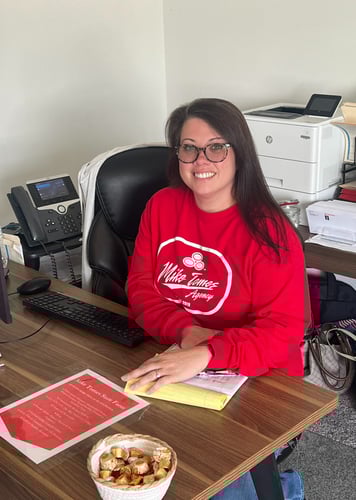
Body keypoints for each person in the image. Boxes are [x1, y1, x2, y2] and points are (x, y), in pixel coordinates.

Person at [121, 98, 306, 499]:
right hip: (178, 352)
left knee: (210, 478)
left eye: (216, 146)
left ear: (239, 153)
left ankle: (283, 488)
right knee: (133, 456)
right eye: (189, 147)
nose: (200, 159)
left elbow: (285, 333)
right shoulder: (162, 206)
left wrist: (207, 354)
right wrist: (186, 333)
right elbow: (141, 289)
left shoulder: (270, 233)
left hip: (258, 376)